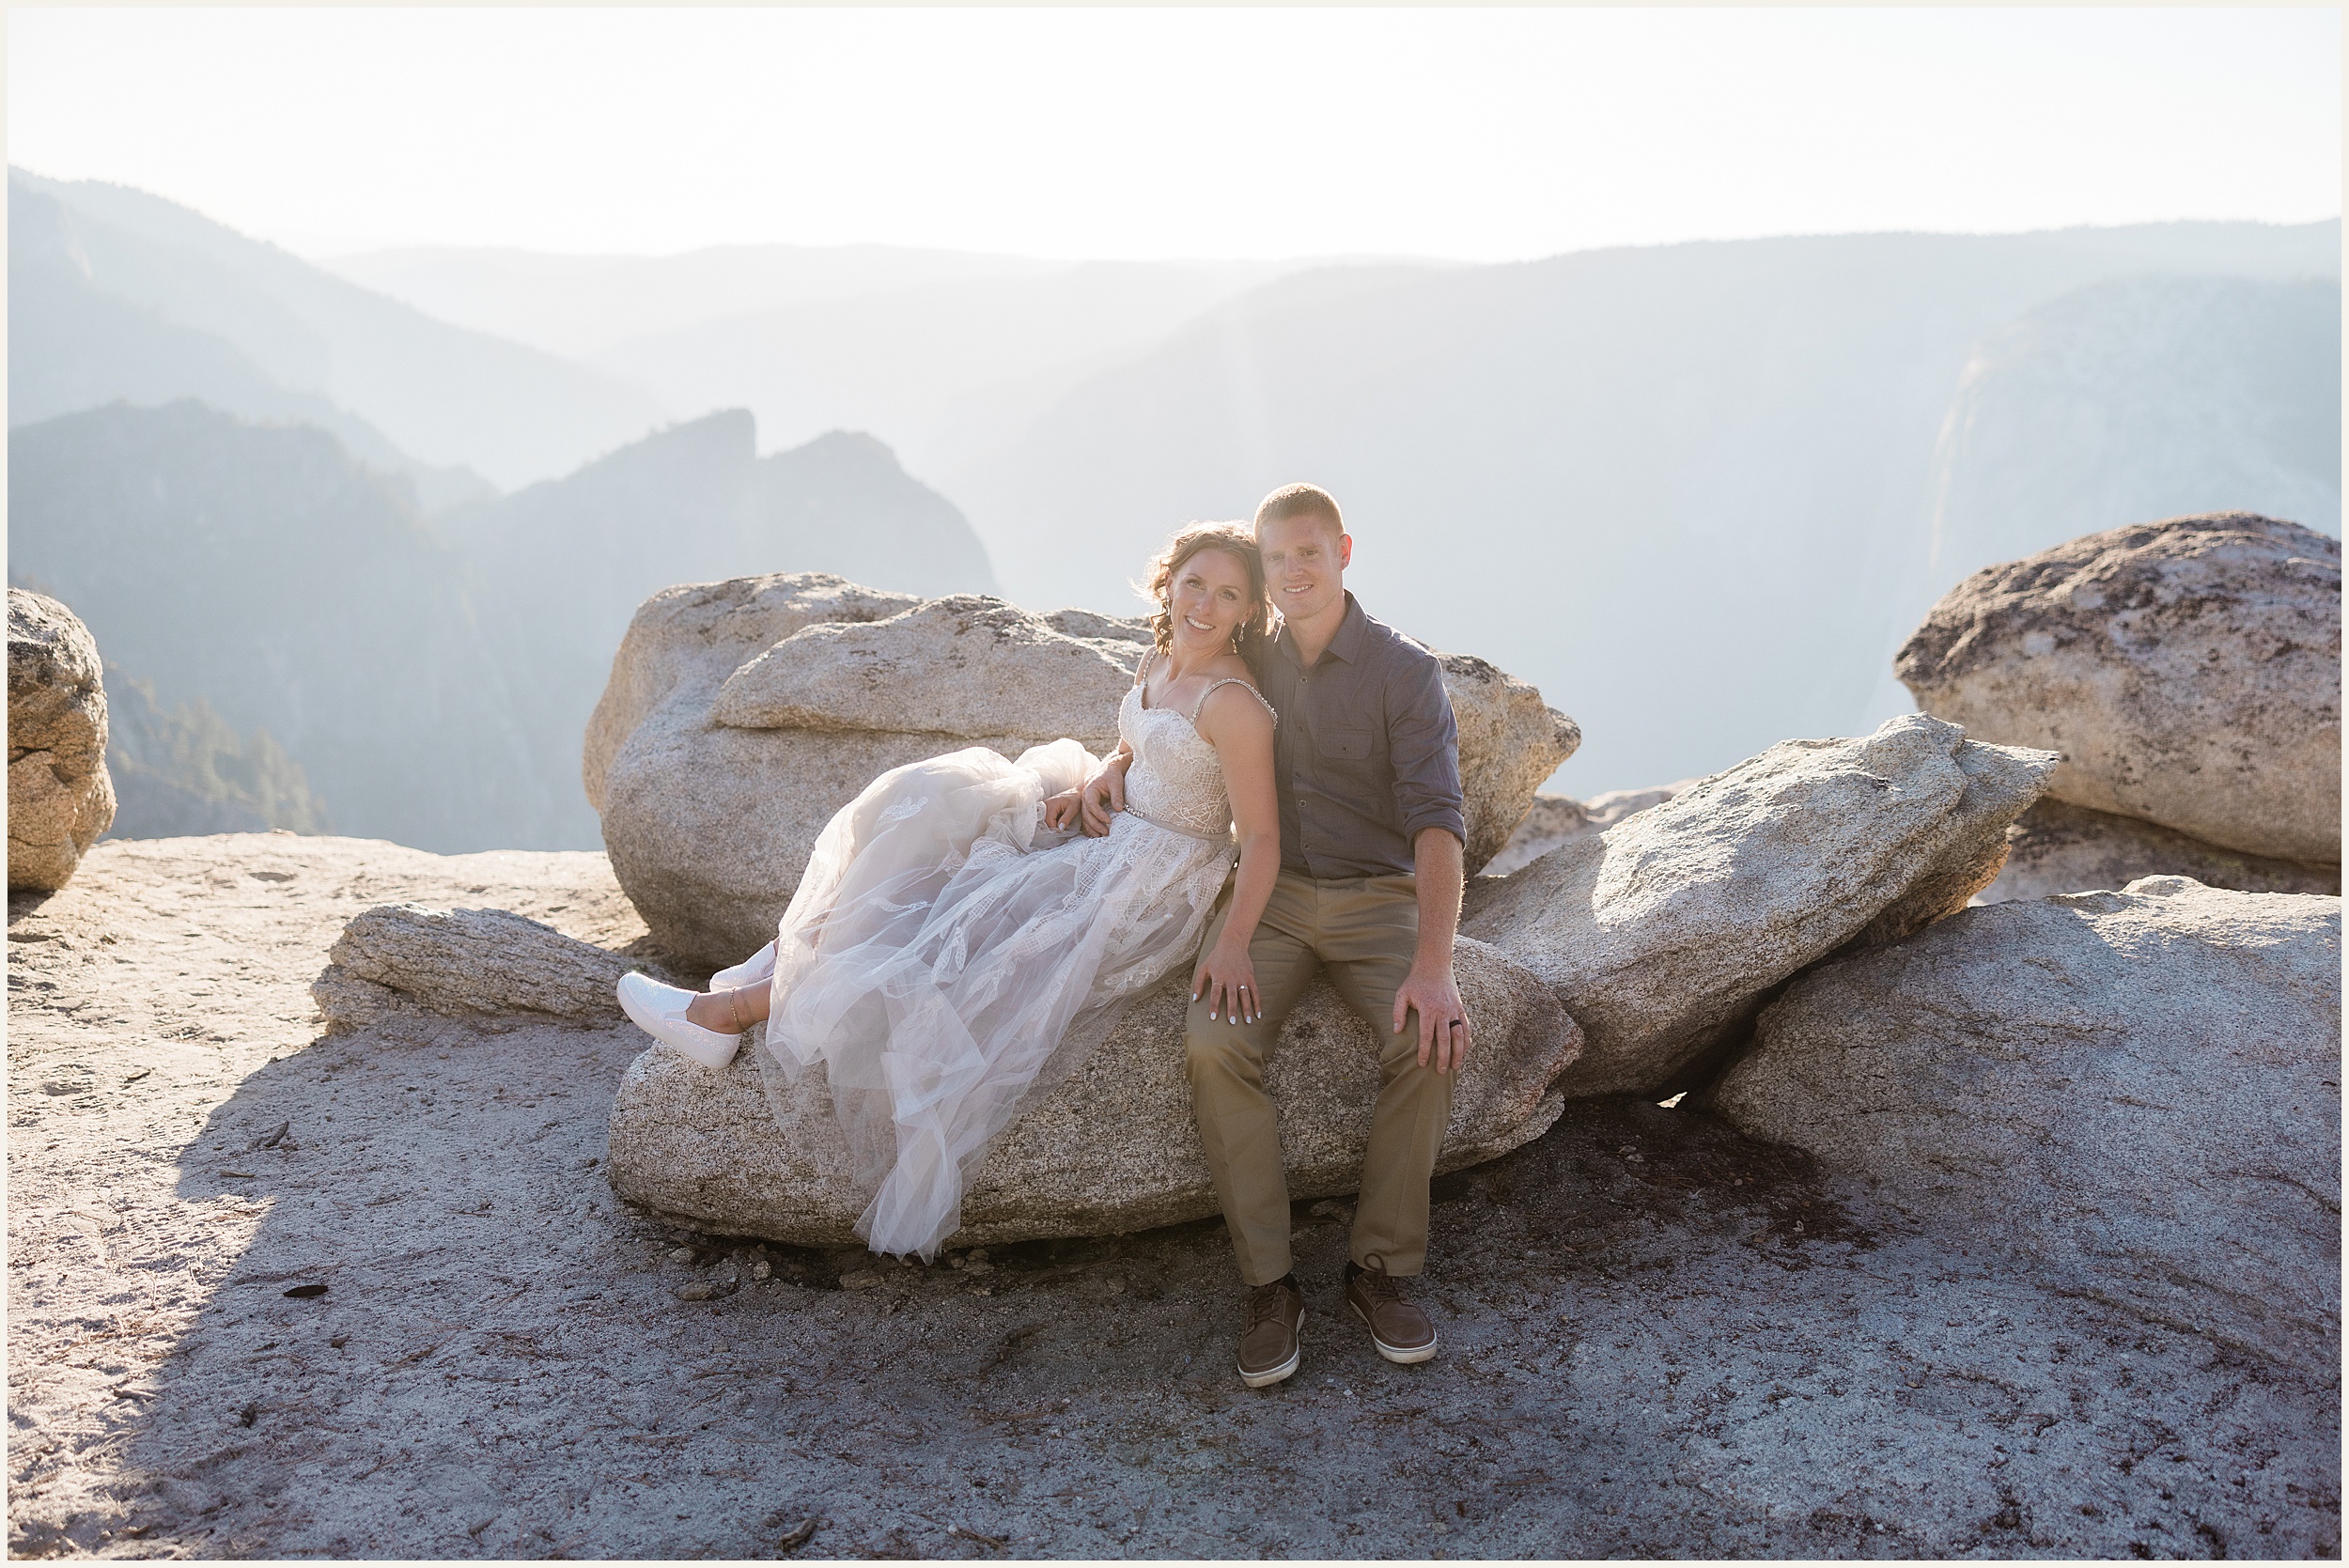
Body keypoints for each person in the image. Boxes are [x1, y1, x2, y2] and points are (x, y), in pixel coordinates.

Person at [615, 523, 1281, 1262]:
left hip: (1151, 880)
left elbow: (1260, 839)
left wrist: (1232, 942)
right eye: (1196, 583)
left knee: (959, 922)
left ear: (1249, 610)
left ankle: (729, 1011)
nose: (1206, 605)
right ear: (1169, 580)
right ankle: (785, 956)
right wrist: (1106, 774)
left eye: (1228, 595)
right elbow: (1144, 742)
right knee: (948, 820)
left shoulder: (1235, 704)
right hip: (1117, 824)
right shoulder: (1160, 657)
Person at [1088, 482, 1470, 1389]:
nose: (1292, 572)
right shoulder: (1250, 640)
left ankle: (1381, 1268)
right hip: (1274, 897)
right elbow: (1172, 693)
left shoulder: (1403, 672)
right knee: (1214, 1044)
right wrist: (1113, 761)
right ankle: (1269, 1284)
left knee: (1428, 1038)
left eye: (1309, 552)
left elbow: (1439, 825)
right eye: (1275, 559)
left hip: (1379, 899)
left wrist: (1435, 966)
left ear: (1342, 551)